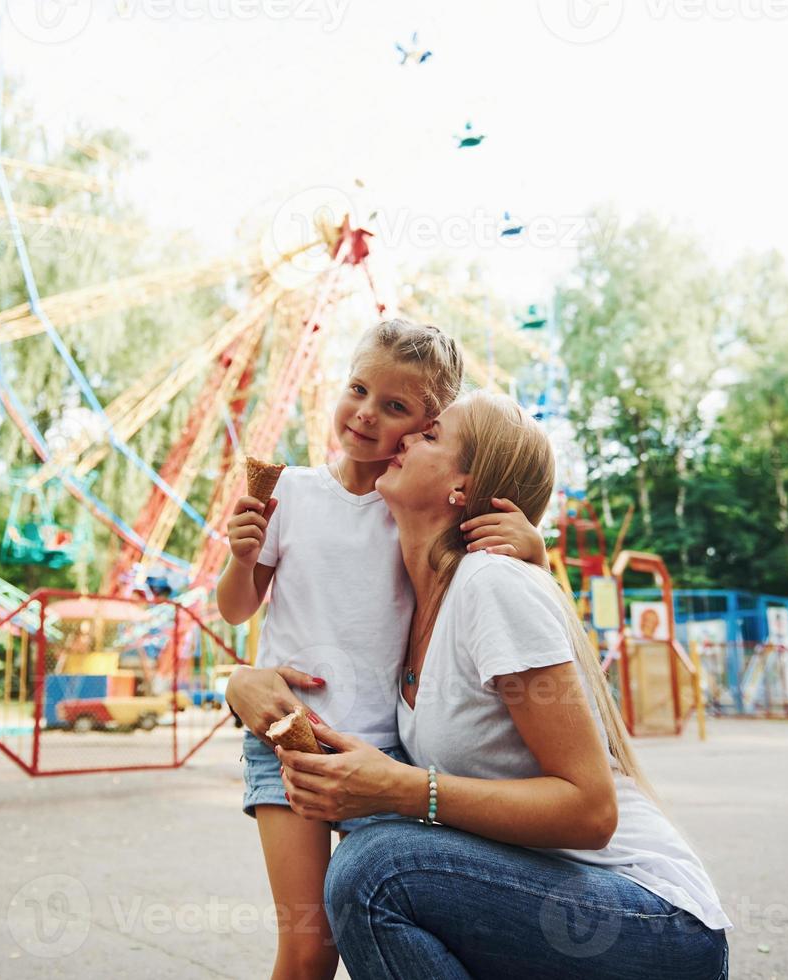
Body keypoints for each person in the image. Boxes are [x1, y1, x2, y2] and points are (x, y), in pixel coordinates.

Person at [276, 393, 731, 979]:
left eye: (430, 434)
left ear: (462, 488)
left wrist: (402, 789)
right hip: (540, 900)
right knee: (376, 856)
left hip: (654, 922)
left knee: (376, 870)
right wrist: (247, 682)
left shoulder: (490, 584)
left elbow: (592, 811)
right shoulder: (408, 606)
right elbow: (299, 628)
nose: (403, 437)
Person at [217, 320, 548, 980]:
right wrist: (242, 556)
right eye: (358, 389)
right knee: (309, 946)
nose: (366, 414)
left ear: (428, 428)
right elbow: (237, 607)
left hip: (384, 749)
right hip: (289, 731)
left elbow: (493, 587)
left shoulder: (415, 506)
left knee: (372, 918)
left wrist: (533, 548)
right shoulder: (292, 494)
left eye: (396, 407)